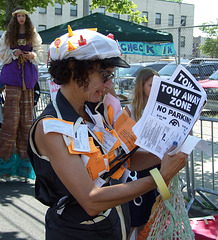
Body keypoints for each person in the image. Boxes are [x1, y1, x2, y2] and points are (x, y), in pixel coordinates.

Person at [27, 27, 187, 240]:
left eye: (110, 76)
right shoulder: (51, 128)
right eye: (104, 76)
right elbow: (92, 200)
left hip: (113, 226)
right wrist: (161, 177)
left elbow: (122, 162)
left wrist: (166, 155)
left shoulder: (96, 112)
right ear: (75, 69)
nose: (110, 85)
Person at [0, 7, 42, 179]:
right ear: (15, 18)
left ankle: (24, 167)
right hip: (12, 80)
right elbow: (2, 54)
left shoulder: (32, 32)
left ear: (26, 17)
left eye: (23, 16)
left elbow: (39, 51)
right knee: (11, 121)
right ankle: (6, 166)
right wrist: (14, 53)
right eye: (18, 16)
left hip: (28, 81)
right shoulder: (7, 35)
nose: (21, 18)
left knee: (26, 122)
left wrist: (32, 55)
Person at [125, 69, 161, 239]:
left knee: (156, 211)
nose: (156, 89)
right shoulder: (130, 111)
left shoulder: (162, 111)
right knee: (136, 217)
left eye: (159, 86)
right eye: (151, 85)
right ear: (141, 86)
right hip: (137, 170)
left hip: (158, 168)